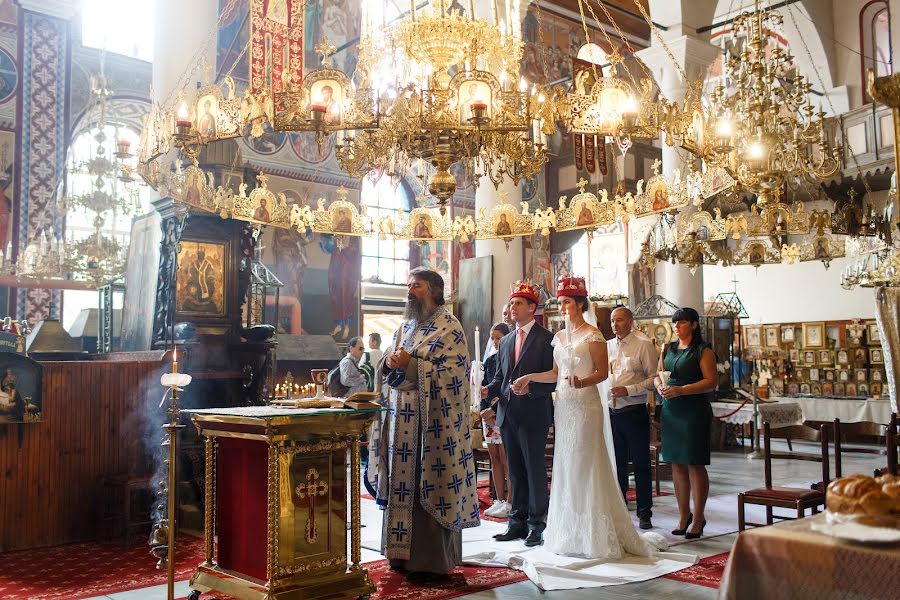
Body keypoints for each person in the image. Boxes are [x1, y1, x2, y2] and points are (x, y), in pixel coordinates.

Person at [511, 276, 663, 559]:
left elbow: (602, 373)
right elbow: (555, 374)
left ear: (580, 304)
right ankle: (569, 531)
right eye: (560, 302)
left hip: (586, 404)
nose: (563, 306)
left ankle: (594, 532)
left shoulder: (593, 335)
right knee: (567, 464)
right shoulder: (558, 336)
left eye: (567, 301)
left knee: (586, 461)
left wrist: (583, 382)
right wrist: (529, 377)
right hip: (565, 405)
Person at [366, 269, 479, 578]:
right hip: (401, 424)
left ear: (435, 291)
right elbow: (389, 367)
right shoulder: (405, 327)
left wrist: (412, 364)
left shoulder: (449, 327)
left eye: (416, 285)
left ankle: (430, 561)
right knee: (401, 488)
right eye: (408, 285)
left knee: (427, 486)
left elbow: (454, 377)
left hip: (433, 428)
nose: (410, 291)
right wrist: (390, 362)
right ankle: (399, 556)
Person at [482, 281, 555, 547]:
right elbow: (501, 378)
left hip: (534, 412)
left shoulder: (547, 339)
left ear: (532, 308)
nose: (512, 307)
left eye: (518, 303)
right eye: (511, 303)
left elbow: (554, 379)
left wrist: (531, 387)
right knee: (515, 471)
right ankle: (517, 523)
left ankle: (537, 525)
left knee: (534, 470)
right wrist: (486, 391)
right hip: (508, 414)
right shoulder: (507, 341)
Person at [654, 307, 717, 539]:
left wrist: (681, 390)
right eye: (674, 323)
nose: (677, 327)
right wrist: (659, 386)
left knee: (694, 464)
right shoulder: (667, 348)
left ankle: (698, 517)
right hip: (671, 410)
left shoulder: (703, 350)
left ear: (693, 325)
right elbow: (657, 373)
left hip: (693, 411)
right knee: (676, 465)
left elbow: (711, 382)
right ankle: (683, 515)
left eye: (681, 323)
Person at [607, 307, 658, 530]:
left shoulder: (643, 344)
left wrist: (630, 389)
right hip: (611, 413)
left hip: (634, 411)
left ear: (629, 322)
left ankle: (644, 512)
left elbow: (654, 378)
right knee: (616, 465)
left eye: (619, 320)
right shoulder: (608, 346)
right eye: (611, 321)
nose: (614, 325)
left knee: (640, 464)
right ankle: (620, 510)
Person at [479, 322, 512, 518]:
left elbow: (507, 390)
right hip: (489, 417)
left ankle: (510, 501)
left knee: (507, 459)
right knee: (495, 459)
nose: (495, 341)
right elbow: (484, 388)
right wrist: (485, 410)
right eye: (492, 338)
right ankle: (498, 499)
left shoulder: (511, 359)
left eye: (498, 337)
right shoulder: (490, 361)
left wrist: (493, 410)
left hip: (503, 414)